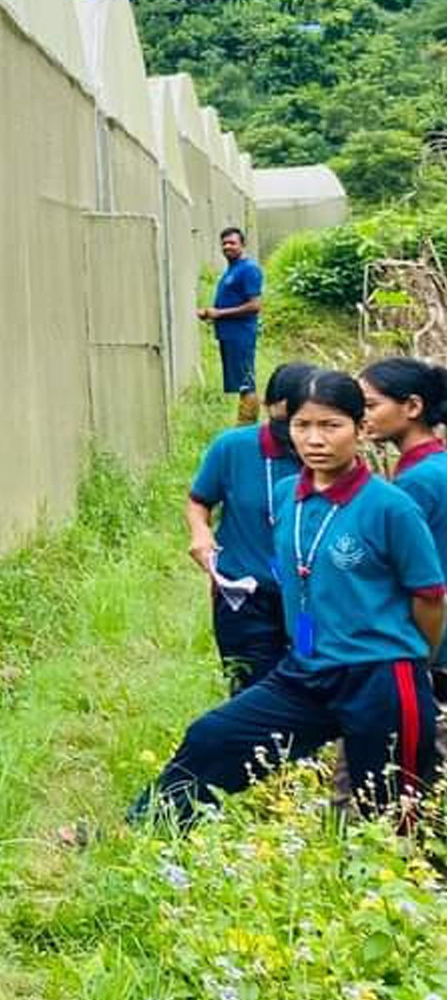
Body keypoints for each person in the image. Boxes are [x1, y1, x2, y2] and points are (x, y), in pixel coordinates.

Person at [134, 370, 445, 826]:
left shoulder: (391, 506)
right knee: (213, 737)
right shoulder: (286, 497)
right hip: (306, 670)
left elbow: (430, 598)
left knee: (387, 812)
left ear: (360, 430)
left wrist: (409, 658)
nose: (315, 439)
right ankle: (141, 833)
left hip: (379, 676)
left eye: (331, 425)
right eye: (304, 426)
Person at [185, 361, 316, 690]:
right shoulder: (233, 448)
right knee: (251, 690)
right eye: (286, 423)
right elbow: (199, 500)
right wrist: (201, 532)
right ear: (269, 408)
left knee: (307, 684)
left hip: (308, 602)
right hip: (245, 596)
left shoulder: (328, 457)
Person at [360, 357, 447, 760]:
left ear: (412, 407)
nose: (363, 417)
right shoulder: (435, 467)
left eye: (371, 405)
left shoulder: (415, 483)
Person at [197, 227, 265, 424]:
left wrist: (219, 313)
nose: (227, 246)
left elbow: (255, 305)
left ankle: (246, 425)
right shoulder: (231, 270)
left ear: (242, 245)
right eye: (224, 243)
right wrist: (210, 312)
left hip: (241, 334)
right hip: (229, 334)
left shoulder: (249, 269)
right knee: (240, 381)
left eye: (232, 243)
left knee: (246, 381)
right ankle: (243, 424)